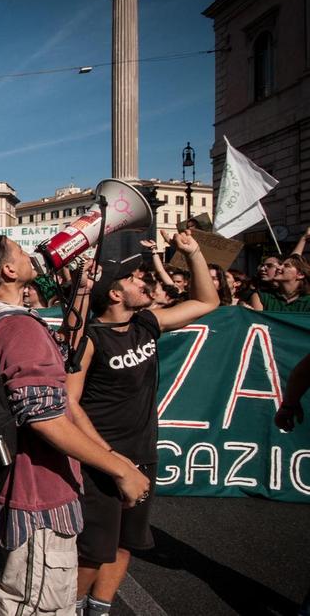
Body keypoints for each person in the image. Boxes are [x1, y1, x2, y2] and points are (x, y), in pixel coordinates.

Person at [0, 235, 150, 616]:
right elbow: (45, 418)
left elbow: (63, 358)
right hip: (37, 492)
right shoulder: (18, 328)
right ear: (9, 270)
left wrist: (81, 289)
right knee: (34, 604)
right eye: (19, 250)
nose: (31, 255)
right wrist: (119, 469)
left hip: (11, 481)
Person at [68, 230, 219, 616]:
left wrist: (195, 253)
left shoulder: (146, 323)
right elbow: (70, 403)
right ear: (115, 294)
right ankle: (69, 609)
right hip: (99, 461)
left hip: (142, 454)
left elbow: (206, 301)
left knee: (123, 543)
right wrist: (111, 461)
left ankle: (99, 609)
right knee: (92, 551)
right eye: (134, 278)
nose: (144, 280)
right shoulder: (90, 340)